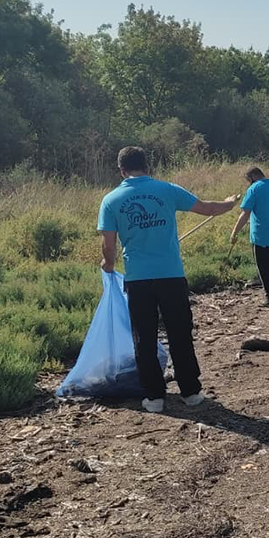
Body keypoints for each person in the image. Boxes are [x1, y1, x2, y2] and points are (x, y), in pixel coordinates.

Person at [98, 146, 238, 413]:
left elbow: (108, 245)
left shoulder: (111, 200)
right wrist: (230, 203)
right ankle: (190, 392)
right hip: (171, 275)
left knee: (145, 337)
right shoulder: (168, 190)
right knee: (179, 333)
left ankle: (154, 396)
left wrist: (109, 265)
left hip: (138, 279)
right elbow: (207, 208)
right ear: (147, 166)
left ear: (121, 170)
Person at [228, 166, 269, 307]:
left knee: (264, 268)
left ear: (252, 177)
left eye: (248, 180)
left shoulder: (254, 189)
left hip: (260, 236)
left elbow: (245, 213)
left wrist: (234, 232)